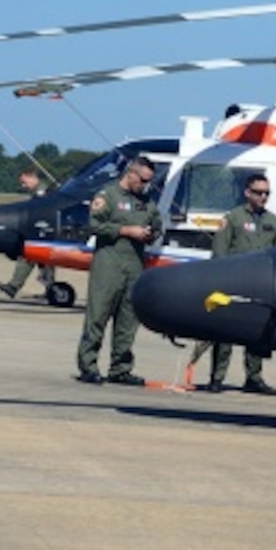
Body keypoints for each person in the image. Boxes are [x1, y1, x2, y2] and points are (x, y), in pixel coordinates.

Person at [75, 155, 161, 386]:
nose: (145, 185)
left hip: (134, 264)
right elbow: (94, 225)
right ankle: (88, 365)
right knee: (98, 315)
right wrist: (125, 230)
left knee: (128, 319)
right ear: (131, 173)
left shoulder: (147, 201)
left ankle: (120, 367)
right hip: (109, 262)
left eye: (149, 182)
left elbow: (157, 225)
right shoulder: (108, 196)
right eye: (143, 180)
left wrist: (151, 233)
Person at [202, 174, 276, 395]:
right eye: (259, 192)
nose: (263, 197)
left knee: (257, 332)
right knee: (225, 331)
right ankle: (217, 377)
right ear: (247, 192)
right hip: (233, 281)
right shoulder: (233, 218)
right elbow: (219, 251)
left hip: (259, 283)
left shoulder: (272, 221)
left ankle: (254, 377)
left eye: (267, 193)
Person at [0, 167, 57, 299]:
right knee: (44, 263)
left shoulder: (43, 192)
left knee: (29, 256)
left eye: (24, 182)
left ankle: (14, 286)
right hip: (44, 231)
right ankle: (51, 290)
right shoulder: (41, 191)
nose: (23, 186)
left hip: (45, 232)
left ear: (32, 177)